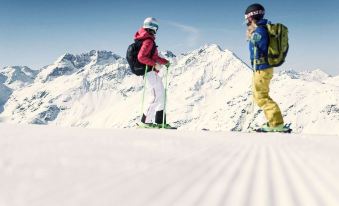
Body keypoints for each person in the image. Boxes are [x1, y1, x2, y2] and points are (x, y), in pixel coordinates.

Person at [245, 3, 288, 132]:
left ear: (251, 17)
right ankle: (274, 123)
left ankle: (276, 124)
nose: (247, 21)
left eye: (247, 18)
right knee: (260, 95)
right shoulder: (262, 28)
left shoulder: (260, 30)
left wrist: (253, 38)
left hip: (262, 68)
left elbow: (262, 48)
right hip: (263, 67)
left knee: (261, 96)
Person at [134, 17, 172, 128]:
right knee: (155, 96)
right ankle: (145, 122)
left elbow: (154, 56)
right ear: (153, 27)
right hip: (149, 72)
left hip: (151, 72)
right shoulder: (148, 41)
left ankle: (160, 122)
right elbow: (141, 57)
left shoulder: (147, 40)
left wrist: (165, 62)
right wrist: (154, 64)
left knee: (161, 96)